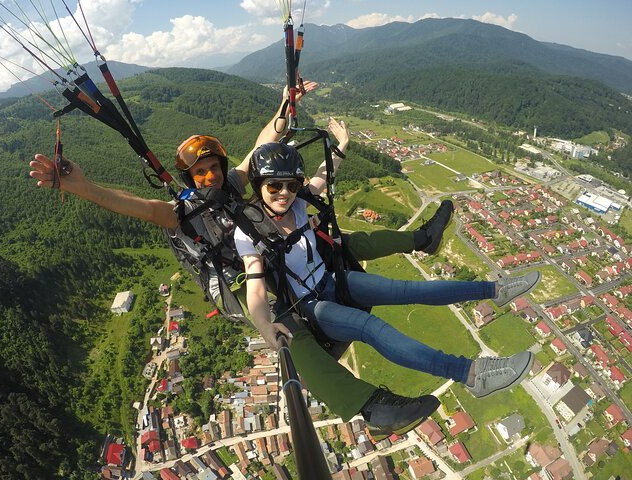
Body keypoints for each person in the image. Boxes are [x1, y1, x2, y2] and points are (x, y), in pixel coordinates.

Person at [30, 86, 442, 437]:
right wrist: (81, 187)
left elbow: (262, 145)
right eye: (201, 173)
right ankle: (371, 408)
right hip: (236, 283)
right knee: (286, 330)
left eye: (213, 168)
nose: (209, 176)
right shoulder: (179, 213)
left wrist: (285, 104)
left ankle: (422, 239)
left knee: (339, 246)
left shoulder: (232, 184)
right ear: (190, 179)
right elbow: (132, 205)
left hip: (267, 258)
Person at [235, 131, 541, 400]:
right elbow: (256, 289)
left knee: (408, 289)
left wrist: (342, 143)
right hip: (311, 305)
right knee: (371, 328)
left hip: (332, 280)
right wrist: (265, 327)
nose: (284, 193)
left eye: (291, 184)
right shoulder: (250, 230)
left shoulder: (298, 203)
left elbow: (324, 174)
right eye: (274, 186)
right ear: (260, 186)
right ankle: (472, 374)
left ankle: (495, 289)